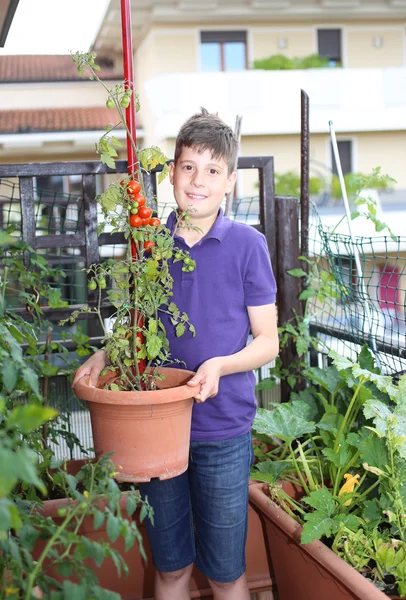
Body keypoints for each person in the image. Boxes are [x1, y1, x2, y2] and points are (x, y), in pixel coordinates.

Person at [72, 108, 279, 600]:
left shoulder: (248, 245)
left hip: (223, 429)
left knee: (228, 575)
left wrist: (220, 365)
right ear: (171, 175)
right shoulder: (149, 243)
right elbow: (136, 324)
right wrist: (106, 356)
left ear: (229, 181)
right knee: (170, 571)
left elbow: (267, 341)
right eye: (188, 167)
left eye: (212, 170)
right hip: (155, 430)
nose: (198, 181)